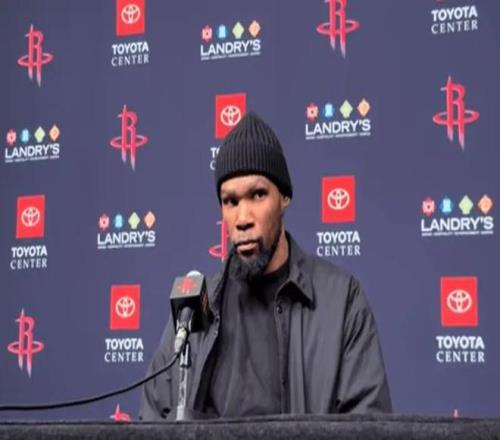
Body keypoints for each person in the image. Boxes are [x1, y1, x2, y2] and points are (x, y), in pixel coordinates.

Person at [139, 112, 392, 420]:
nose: (242, 218)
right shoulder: (192, 311)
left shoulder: (341, 300)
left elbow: (368, 424)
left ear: (284, 197)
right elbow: (153, 418)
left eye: (257, 195)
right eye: (230, 201)